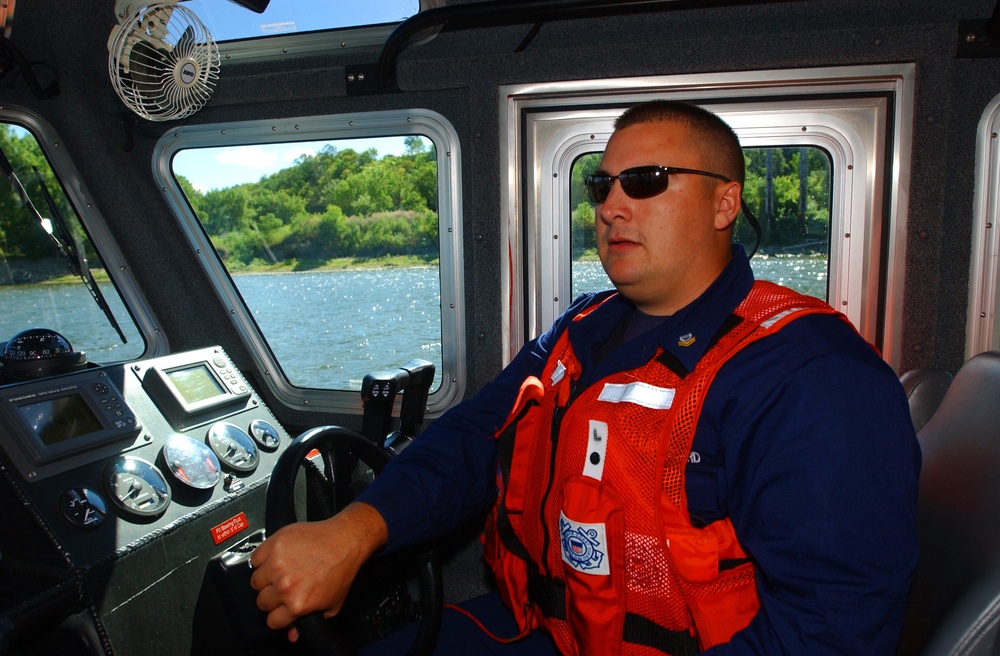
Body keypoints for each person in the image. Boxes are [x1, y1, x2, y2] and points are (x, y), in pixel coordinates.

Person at [250, 100, 920, 654]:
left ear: (725, 204)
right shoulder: (581, 328)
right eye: (602, 186)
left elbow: (831, 633)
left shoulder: (811, 379)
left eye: (648, 181)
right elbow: (476, 438)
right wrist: (356, 529)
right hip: (554, 631)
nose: (611, 207)